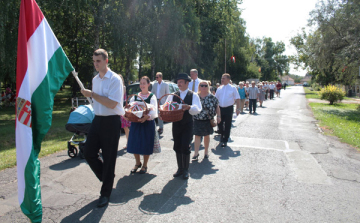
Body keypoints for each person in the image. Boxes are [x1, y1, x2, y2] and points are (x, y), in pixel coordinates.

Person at [81, 49, 124, 207]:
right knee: (88, 152)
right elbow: (97, 102)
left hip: (111, 122)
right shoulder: (95, 79)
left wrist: (92, 94)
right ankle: (107, 178)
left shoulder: (114, 79)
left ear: (106, 61)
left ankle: (105, 193)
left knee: (109, 156)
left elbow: (112, 103)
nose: (95, 64)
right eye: (94, 61)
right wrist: (92, 96)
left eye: (98, 61)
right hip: (97, 119)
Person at [161, 73, 202, 179]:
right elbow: (166, 106)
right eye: (178, 82)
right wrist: (162, 111)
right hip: (176, 124)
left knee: (185, 145)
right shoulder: (173, 95)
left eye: (181, 82)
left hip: (188, 124)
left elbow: (198, 109)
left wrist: (188, 107)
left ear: (187, 83)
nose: (178, 84)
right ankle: (180, 168)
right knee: (177, 145)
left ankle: (186, 170)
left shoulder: (193, 95)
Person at [126, 76, 158, 174]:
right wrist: (127, 112)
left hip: (147, 123)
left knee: (146, 144)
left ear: (148, 84)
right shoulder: (135, 96)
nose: (142, 85)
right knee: (134, 142)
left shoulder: (152, 96)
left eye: (144, 83)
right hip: (136, 123)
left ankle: (145, 165)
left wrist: (146, 117)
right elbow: (130, 108)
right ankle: (137, 162)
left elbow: (154, 110)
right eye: (141, 83)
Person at [193, 80, 220, 160]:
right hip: (197, 119)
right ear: (199, 87)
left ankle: (206, 152)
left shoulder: (212, 97)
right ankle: (196, 153)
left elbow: (217, 107)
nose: (203, 87)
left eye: (205, 85)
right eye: (202, 85)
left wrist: (218, 116)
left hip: (207, 120)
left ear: (208, 87)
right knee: (197, 136)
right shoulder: (195, 96)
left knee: (206, 136)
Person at [215, 73, 240, 147]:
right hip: (220, 108)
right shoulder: (219, 88)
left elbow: (237, 98)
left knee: (227, 124)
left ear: (228, 80)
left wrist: (238, 108)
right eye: (222, 78)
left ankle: (225, 139)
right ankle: (222, 134)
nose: (222, 80)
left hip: (229, 108)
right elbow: (215, 99)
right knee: (219, 123)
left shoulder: (232, 88)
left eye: (224, 78)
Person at [119, 74, 131, 149]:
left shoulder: (123, 87)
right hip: (118, 108)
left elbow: (121, 96)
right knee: (123, 127)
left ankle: (128, 143)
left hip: (122, 108)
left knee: (125, 127)